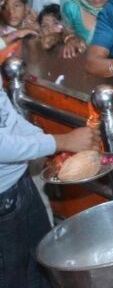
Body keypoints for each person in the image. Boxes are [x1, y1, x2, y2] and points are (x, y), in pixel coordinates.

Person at [0, 49, 99, 288]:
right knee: (12, 277)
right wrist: (61, 142)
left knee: (43, 262)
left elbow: (9, 119)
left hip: (19, 182)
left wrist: (46, 144)